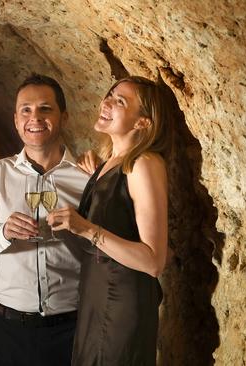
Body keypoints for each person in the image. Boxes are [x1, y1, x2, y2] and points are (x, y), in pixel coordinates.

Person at [0, 73, 96, 366]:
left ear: (64, 117)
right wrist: (3, 231)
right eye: (26, 109)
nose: (34, 117)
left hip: (72, 326)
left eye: (45, 108)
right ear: (15, 119)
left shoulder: (86, 176)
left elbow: (104, 242)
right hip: (13, 328)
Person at [47, 76, 172, 365]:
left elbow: (154, 262)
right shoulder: (110, 164)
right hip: (97, 294)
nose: (106, 102)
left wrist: (86, 228)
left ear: (142, 122)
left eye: (120, 101)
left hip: (121, 301)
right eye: (110, 95)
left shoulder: (145, 164)